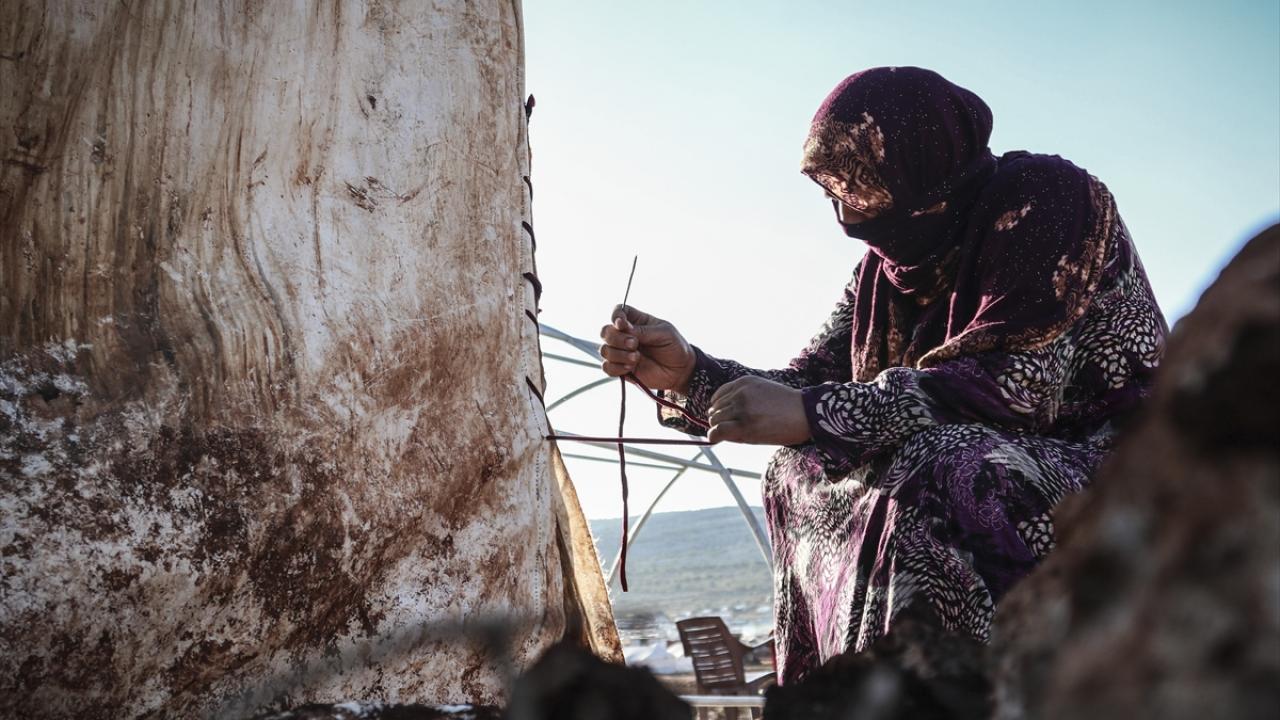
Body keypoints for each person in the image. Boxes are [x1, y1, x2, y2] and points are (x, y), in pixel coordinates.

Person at [598, 67, 1167, 685]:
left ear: (921, 164)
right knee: (796, 470)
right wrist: (688, 374)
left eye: (862, 188)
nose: (845, 214)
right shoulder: (886, 272)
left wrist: (813, 414)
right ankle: (848, 692)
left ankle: (958, 693)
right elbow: (808, 385)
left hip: (1121, 473)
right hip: (971, 453)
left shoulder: (1048, 200)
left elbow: (1018, 380)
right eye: (834, 193)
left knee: (948, 462)